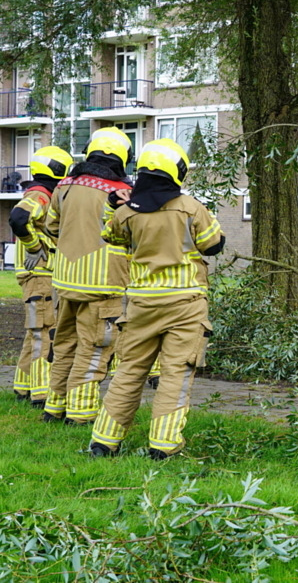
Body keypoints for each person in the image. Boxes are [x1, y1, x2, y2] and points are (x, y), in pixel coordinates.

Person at [91, 139, 224, 459]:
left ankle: (103, 442)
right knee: (176, 373)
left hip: (140, 305)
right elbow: (213, 245)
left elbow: (109, 234)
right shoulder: (191, 207)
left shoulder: (126, 212)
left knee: (129, 371)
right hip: (185, 305)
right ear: (177, 171)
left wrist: (114, 204)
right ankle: (163, 446)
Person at [42, 128, 133, 424]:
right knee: (94, 347)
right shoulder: (122, 192)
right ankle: (80, 413)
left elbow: (51, 228)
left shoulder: (64, 185)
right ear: (123, 157)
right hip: (104, 284)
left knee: (64, 344)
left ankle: (54, 406)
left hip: (65, 281)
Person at [9, 146, 74, 405]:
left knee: (34, 332)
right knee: (45, 332)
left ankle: (22, 387)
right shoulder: (41, 194)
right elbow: (18, 218)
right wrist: (35, 247)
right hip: (40, 274)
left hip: (36, 274)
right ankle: (41, 393)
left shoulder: (39, 192)